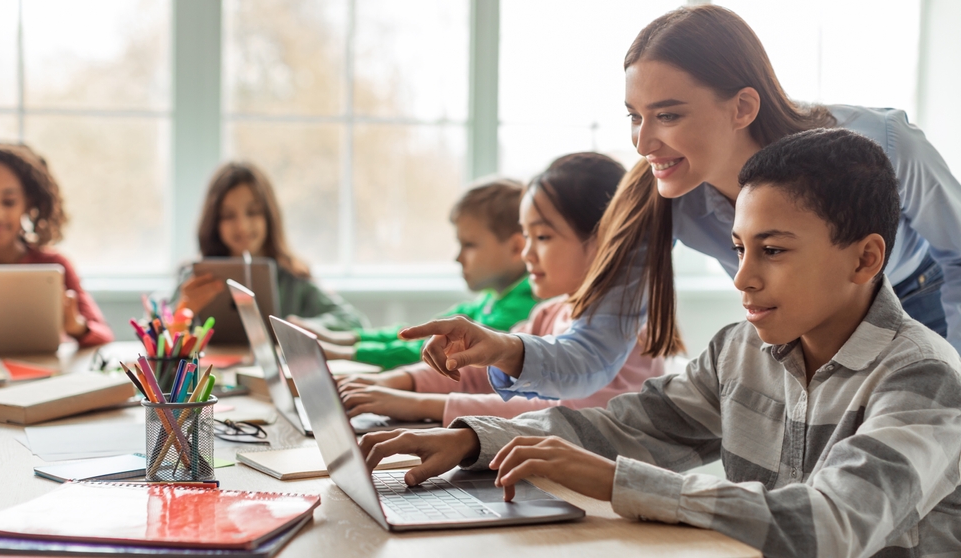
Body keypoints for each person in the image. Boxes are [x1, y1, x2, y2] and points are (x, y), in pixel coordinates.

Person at [361, 129, 961, 558]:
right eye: (738, 248)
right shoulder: (740, 351)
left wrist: (620, 481)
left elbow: (831, 527)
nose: (742, 277)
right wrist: (472, 438)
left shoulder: (924, 379)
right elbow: (625, 426)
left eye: (772, 250)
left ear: (865, 258)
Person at [399, 4, 961, 401]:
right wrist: (500, 348)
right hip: (803, 326)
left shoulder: (883, 143)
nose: (643, 144)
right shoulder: (662, 196)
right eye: (634, 117)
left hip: (920, 305)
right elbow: (595, 353)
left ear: (742, 107)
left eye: (667, 115)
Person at [338, 155, 669, 423]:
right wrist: (388, 384)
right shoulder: (547, 314)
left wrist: (417, 404)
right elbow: (481, 373)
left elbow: (560, 416)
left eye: (542, 237)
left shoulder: (627, 334)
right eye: (526, 237)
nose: (525, 254)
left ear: (602, 239)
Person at [296, 179, 538, 370]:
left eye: (469, 245)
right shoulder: (491, 299)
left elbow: (434, 353)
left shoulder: (526, 306)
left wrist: (344, 353)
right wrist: (348, 338)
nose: (458, 257)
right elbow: (420, 333)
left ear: (516, 248)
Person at [176, 162, 366, 331]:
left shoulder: (293, 279)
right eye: (228, 216)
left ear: (269, 216)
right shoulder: (195, 278)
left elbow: (354, 322)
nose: (242, 226)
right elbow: (154, 330)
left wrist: (301, 328)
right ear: (214, 222)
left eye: (253, 212)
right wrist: (183, 312)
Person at [0, 142, 114, 348]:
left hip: (44, 377)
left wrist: (74, 325)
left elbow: (103, 335)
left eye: (9, 201)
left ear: (28, 202)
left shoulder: (54, 265)